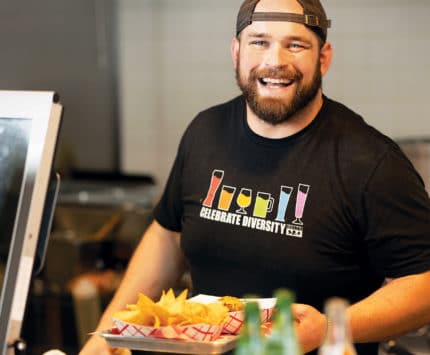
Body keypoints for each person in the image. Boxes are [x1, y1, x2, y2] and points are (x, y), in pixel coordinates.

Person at [80, 0, 430, 354]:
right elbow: (169, 237)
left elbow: (423, 283)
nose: (275, 61)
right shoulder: (205, 132)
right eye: (259, 42)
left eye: (295, 44)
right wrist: (106, 335)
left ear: (323, 58)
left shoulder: (370, 161)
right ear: (236, 51)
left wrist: (328, 329)